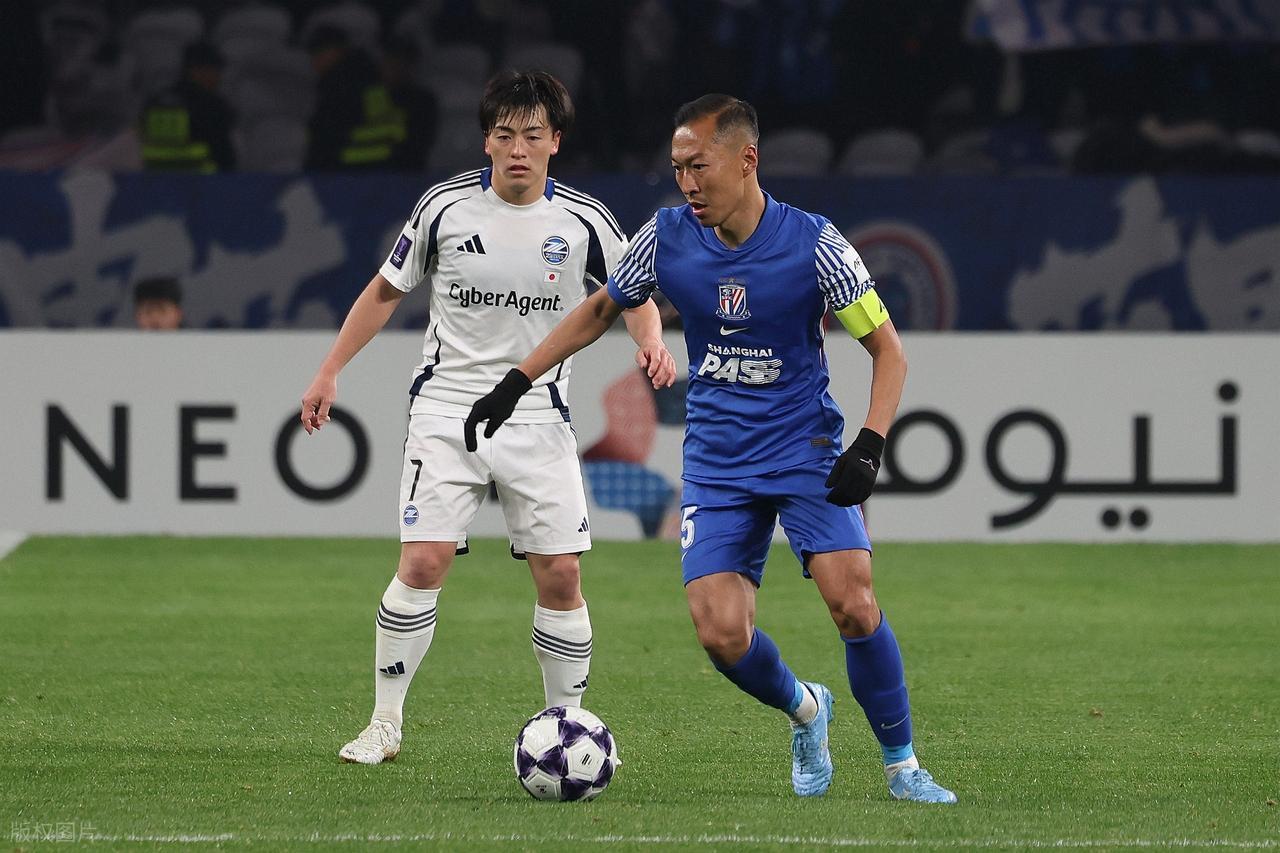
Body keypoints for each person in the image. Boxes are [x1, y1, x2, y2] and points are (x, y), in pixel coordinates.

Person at [465, 94, 957, 803]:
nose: (687, 183)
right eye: (677, 168)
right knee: (722, 635)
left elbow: (888, 350)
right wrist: (517, 381)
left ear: (746, 159)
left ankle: (903, 766)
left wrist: (871, 443)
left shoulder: (814, 244)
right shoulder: (666, 238)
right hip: (718, 463)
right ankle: (807, 710)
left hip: (803, 448)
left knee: (853, 602)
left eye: (699, 166)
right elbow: (601, 308)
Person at [300, 71, 675, 765]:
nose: (517, 149)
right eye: (505, 135)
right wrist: (330, 369)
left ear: (556, 142)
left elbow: (633, 293)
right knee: (423, 560)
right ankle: (384, 722)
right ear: (487, 141)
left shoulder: (586, 221)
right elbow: (384, 291)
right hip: (447, 411)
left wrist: (650, 339)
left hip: (539, 416)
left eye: (532, 135)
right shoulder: (444, 207)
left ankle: (569, 728)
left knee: (560, 574)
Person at [140, 42, 235, 173]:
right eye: (215, 70)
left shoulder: (156, 101)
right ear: (198, 70)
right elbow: (223, 156)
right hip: (203, 179)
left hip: (157, 179)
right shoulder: (213, 105)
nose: (218, 77)